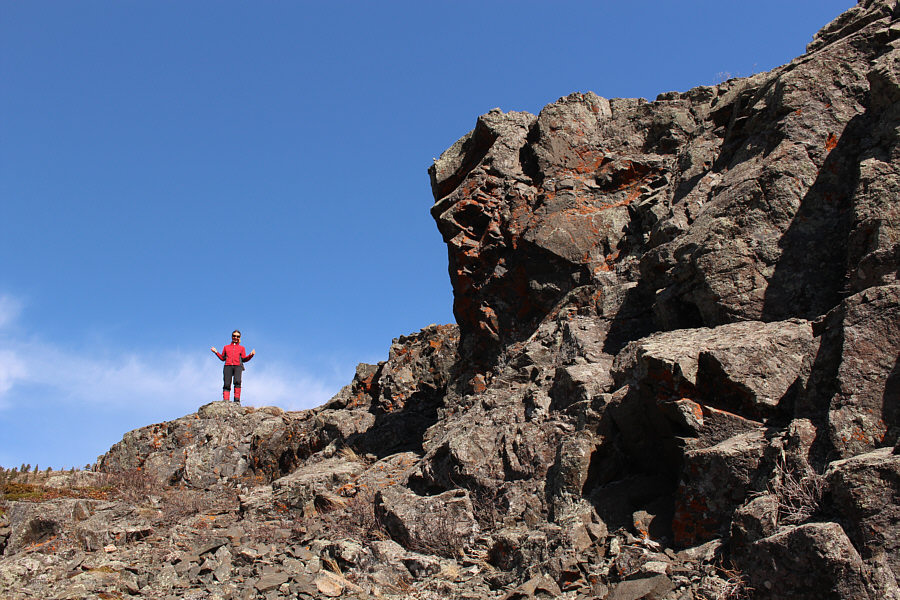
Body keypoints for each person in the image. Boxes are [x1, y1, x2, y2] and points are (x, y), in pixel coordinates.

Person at [211, 330, 255, 403]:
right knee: (227, 383)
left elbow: (244, 359)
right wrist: (216, 352)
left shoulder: (242, 348)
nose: (235, 337)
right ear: (232, 337)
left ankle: (237, 401)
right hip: (228, 366)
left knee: (237, 382)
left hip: (238, 366)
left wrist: (251, 355)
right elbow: (222, 358)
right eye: (234, 336)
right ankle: (226, 401)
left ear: (239, 338)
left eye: (237, 336)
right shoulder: (226, 347)